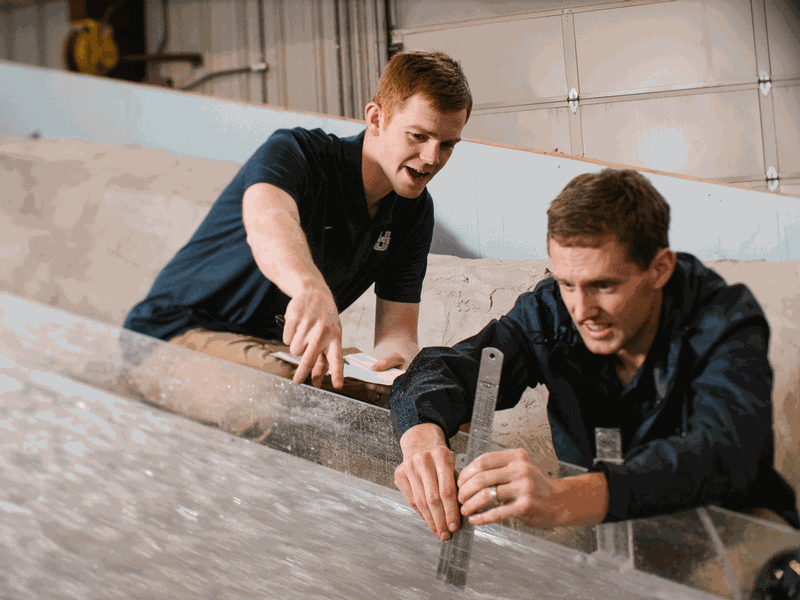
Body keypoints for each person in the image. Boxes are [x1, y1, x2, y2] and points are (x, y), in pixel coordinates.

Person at [390, 168, 800, 541]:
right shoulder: (552, 311)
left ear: (660, 269)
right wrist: (421, 437)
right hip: (602, 533)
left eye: (603, 285)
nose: (582, 311)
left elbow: (723, 453)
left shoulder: (725, 319)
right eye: (568, 283)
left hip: (728, 531)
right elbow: (447, 369)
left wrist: (564, 499)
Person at [123, 50, 472, 404]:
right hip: (172, 335)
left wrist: (400, 368)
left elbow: (397, 333)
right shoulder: (296, 153)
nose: (432, 158)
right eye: (418, 136)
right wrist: (310, 289)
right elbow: (268, 221)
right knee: (273, 395)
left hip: (274, 351)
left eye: (447, 145)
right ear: (376, 118)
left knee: (430, 406)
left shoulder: (415, 212)